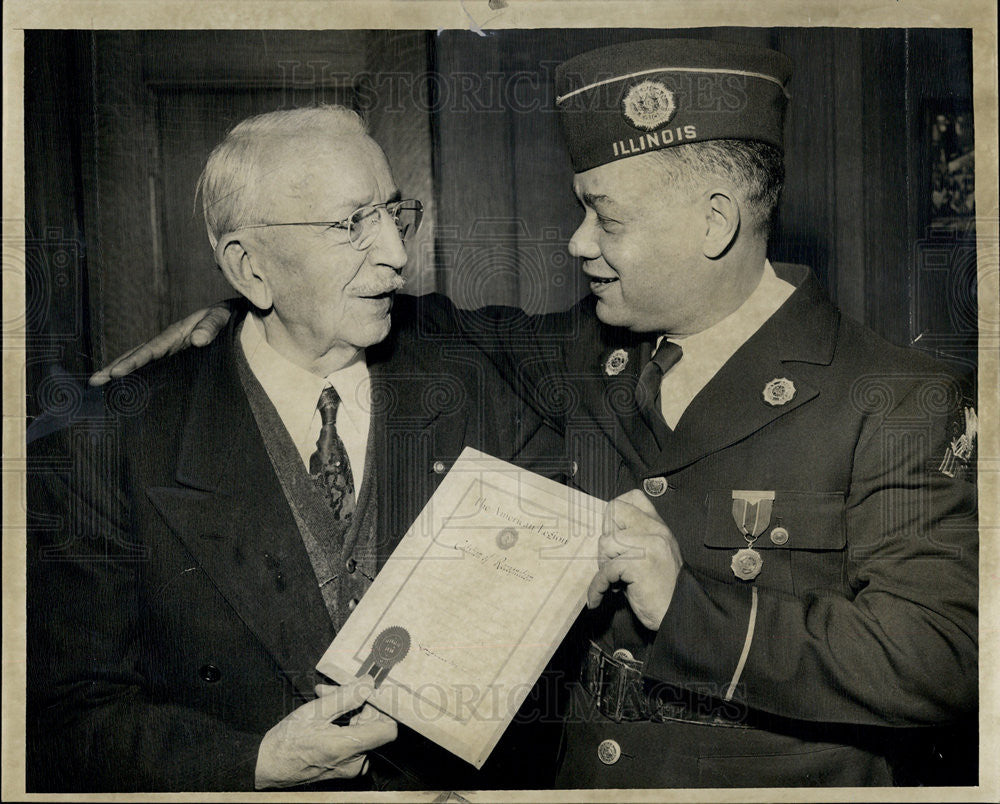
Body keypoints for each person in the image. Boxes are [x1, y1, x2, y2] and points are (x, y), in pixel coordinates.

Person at [90, 39, 979, 788]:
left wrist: (689, 611)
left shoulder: (896, 397)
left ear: (713, 224)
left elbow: (946, 655)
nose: (577, 242)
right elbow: (383, 317)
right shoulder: (582, 355)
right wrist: (229, 312)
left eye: (604, 217)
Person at [27, 106, 561, 792]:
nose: (397, 254)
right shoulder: (106, 445)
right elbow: (67, 724)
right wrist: (256, 764)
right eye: (350, 224)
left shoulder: (475, 376)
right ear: (249, 269)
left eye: (394, 214)